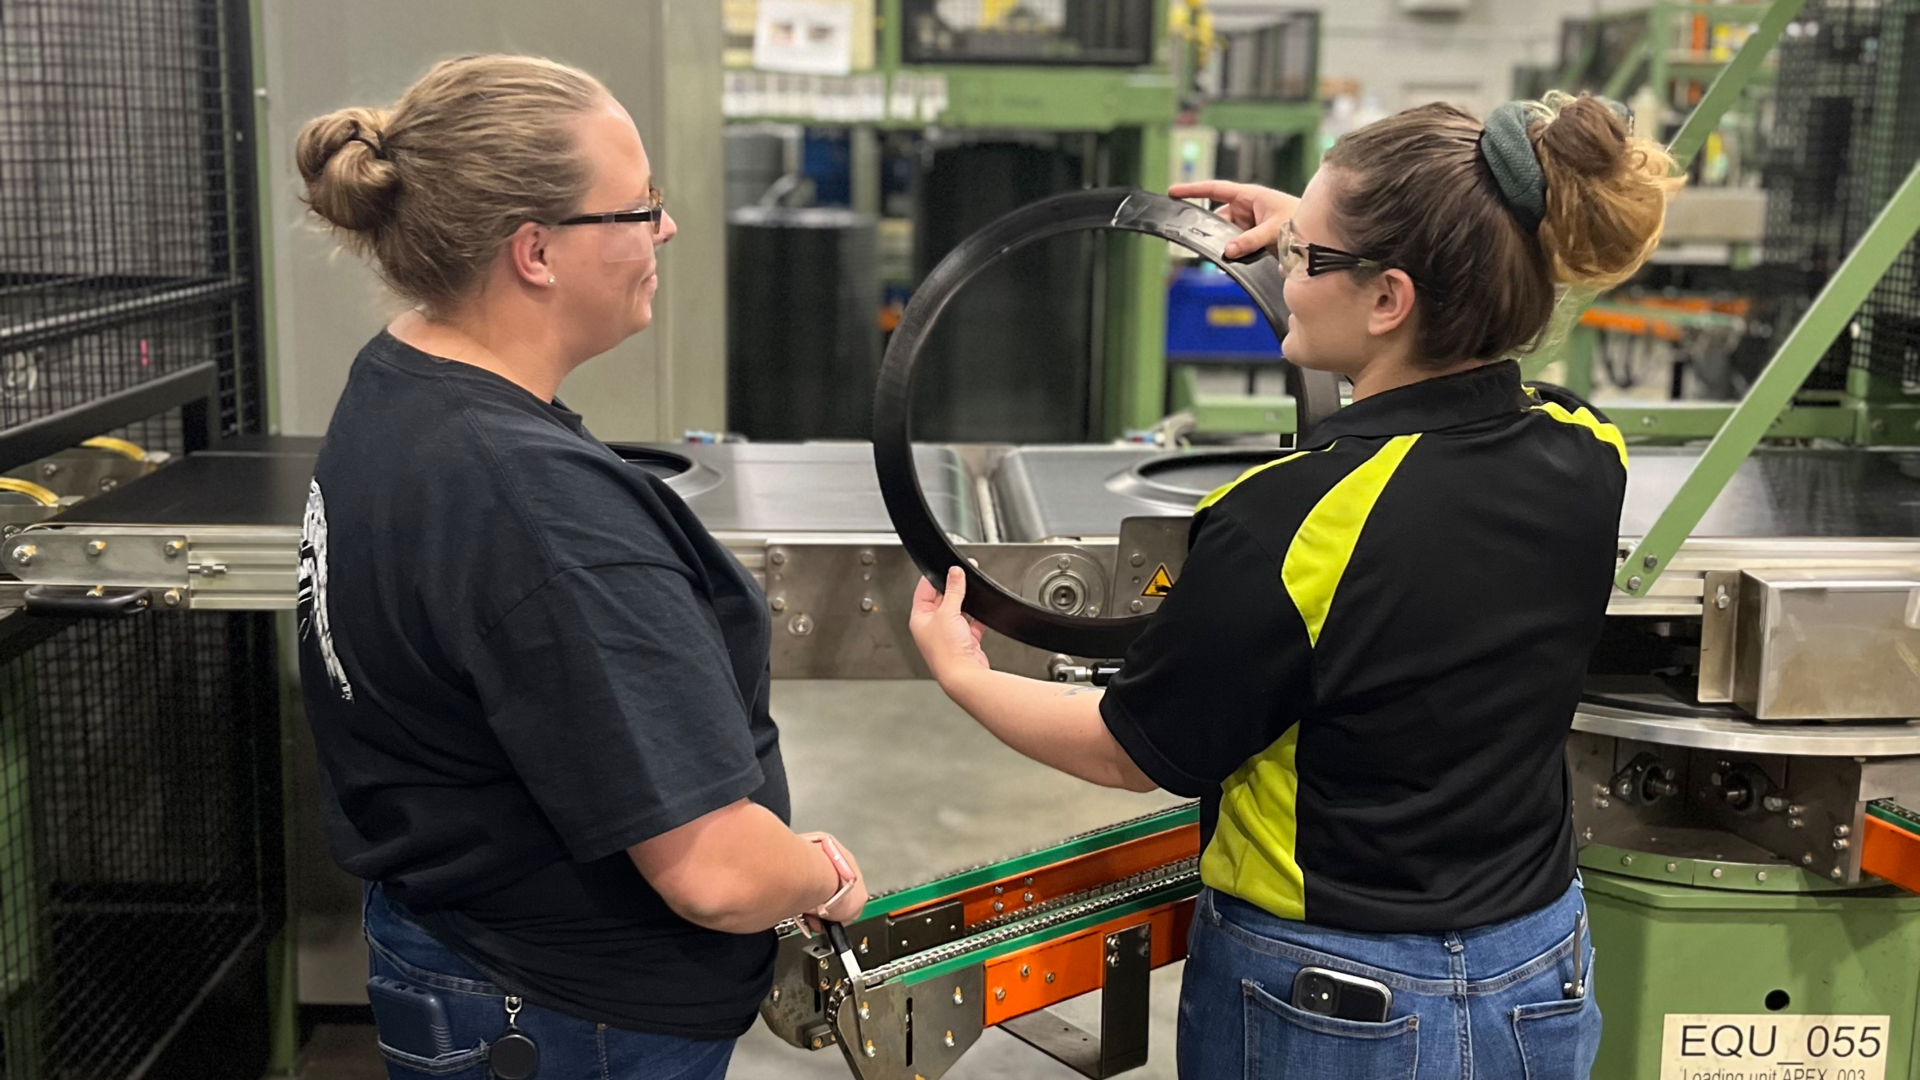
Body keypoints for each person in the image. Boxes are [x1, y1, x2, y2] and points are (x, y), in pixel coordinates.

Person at [908, 91, 1679, 1079]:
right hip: (1538, 973)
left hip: (1332, 999)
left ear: (1391, 297)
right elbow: (1468, 336)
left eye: (1304, 258)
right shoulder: (1586, 449)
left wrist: (966, 676)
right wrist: (1331, 234)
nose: (1284, 270)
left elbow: (1131, 753)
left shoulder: (1289, 519)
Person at [293, 55, 866, 1080]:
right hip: (563, 1017)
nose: (668, 230)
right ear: (536, 251)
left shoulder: (402, 377)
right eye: (638, 208)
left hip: (459, 944)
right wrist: (816, 873)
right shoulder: (537, 507)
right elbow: (716, 872)